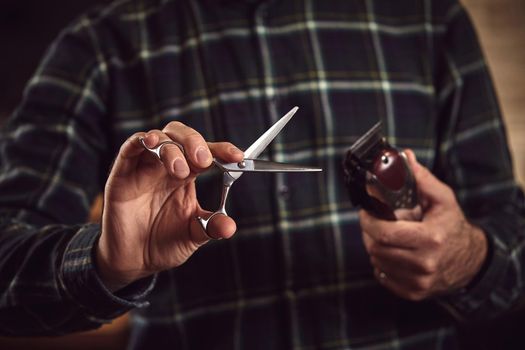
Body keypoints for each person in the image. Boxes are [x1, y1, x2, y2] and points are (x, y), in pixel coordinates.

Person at [0, 0, 523, 348]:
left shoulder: (428, 18)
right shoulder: (100, 43)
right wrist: (105, 262)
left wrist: (469, 256)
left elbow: (511, 236)